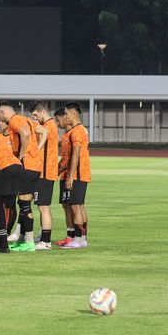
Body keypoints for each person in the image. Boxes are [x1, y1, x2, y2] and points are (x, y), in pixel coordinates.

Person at [0, 101, 47, 252]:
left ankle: (29, 242)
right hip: (34, 165)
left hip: (27, 165)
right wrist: (36, 150)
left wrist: (21, 154)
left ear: (4, 112)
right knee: (23, 203)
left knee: (24, 204)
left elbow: (24, 133)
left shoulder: (14, 120)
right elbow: (44, 132)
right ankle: (24, 239)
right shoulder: (27, 119)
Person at [30, 100, 59, 250]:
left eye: (36, 115)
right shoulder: (49, 125)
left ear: (43, 112)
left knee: (43, 207)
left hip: (46, 172)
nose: (35, 118)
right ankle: (43, 235)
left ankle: (46, 241)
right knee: (42, 206)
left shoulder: (48, 127)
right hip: (46, 171)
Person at [62, 102, 91, 249]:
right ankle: (83, 238)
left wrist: (70, 175)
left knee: (75, 207)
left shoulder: (77, 131)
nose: (64, 116)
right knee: (79, 205)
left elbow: (76, 154)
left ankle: (78, 239)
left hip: (78, 173)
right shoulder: (79, 130)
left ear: (73, 114)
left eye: (66, 113)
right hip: (82, 172)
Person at [54, 108, 75, 246]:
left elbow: (70, 160)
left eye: (58, 119)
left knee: (72, 206)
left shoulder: (74, 134)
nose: (57, 123)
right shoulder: (65, 136)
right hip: (63, 175)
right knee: (65, 205)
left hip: (69, 176)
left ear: (65, 117)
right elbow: (64, 158)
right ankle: (69, 235)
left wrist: (57, 170)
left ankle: (74, 236)